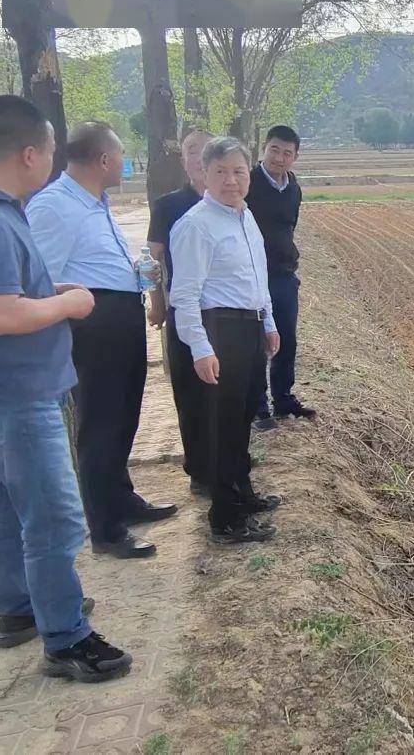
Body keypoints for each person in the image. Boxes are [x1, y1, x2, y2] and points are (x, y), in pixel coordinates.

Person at [0, 95, 132, 681]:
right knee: (55, 517)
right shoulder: (4, 221)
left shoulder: (12, 213)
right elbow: (5, 312)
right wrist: (71, 301)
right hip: (23, 391)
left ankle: (20, 607)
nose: (55, 157)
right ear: (30, 154)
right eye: (51, 148)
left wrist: (50, 288)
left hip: (17, 386)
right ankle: (66, 637)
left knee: (12, 508)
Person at [27, 122, 176, 560]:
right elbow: (41, 278)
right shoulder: (54, 207)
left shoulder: (96, 202)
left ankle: (121, 498)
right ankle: (106, 529)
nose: (125, 161)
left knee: (125, 413)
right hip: (93, 325)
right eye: (121, 153)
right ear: (105, 160)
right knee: (100, 422)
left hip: (119, 315)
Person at [170, 136, 283, 543]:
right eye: (220, 172)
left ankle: (242, 493)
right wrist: (200, 348)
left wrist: (268, 322)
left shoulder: (244, 217)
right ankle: (225, 518)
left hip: (250, 327)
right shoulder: (196, 226)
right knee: (221, 426)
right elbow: (183, 295)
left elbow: (257, 277)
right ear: (204, 174)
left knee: (240, 420)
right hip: (220, 329)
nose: (231, 180)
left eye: (238, 171)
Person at [147, 129, 213, 495]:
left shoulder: (235, 203)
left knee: (229, 392)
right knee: (190, 393)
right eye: (191, 151)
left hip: (226, 314)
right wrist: (157, 301)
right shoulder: (168, 205)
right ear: (184, 161)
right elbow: (152, 261)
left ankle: (229, 461)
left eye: (205, 151)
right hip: (186, 310)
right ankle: (200, 471)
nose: (198, 158)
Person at [246, 125, 314, 429]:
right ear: (264, 149)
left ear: (295, 157)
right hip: (253, 275)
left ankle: (283, 397)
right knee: (257, 341)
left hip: (284, 275)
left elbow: (290, 226)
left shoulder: (293, 187)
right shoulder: (248, 182)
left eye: (287, 153)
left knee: (286, 338)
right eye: (274, 150)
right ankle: (258, 406)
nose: (280, 158)